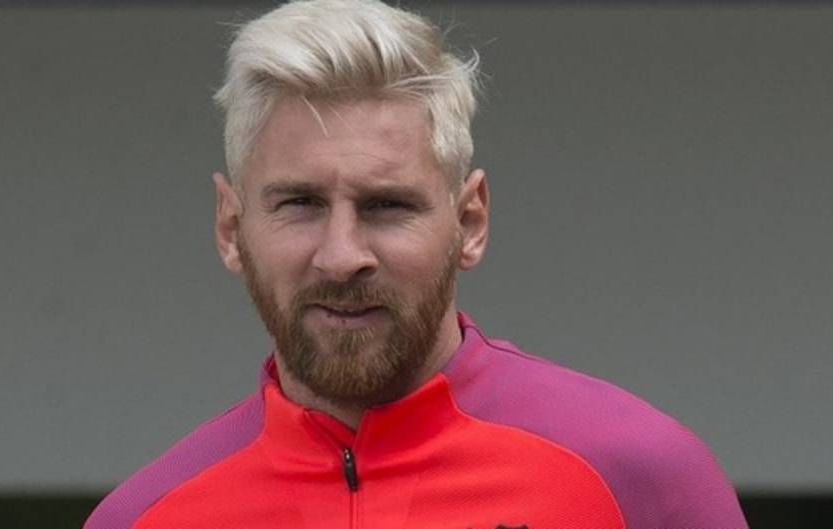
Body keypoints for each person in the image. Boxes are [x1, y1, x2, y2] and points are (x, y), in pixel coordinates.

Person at [85, 1, 748, 527]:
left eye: (387, 205)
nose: (342, 256)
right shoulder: (146, 516)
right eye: (300, 203)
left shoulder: (639, 478)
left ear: (470, 223)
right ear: (232, 229)